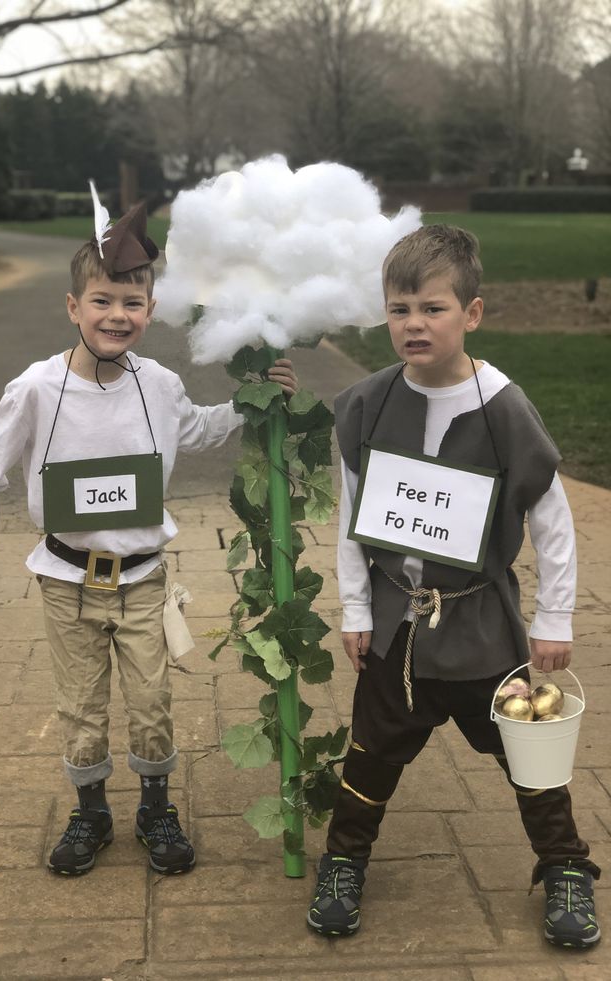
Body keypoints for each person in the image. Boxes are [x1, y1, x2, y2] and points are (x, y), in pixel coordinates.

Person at [0, 194, 297, 877]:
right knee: (81, 707)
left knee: (152, 702)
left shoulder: (159, 384)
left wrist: (253, 401)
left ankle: (154, 806)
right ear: (73, 306)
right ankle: (90, 812)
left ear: (149, 311)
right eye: (103, 300)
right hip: (66, 580)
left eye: (133, 304)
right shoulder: (36, 389)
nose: (118, 316)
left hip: (143, 579)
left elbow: (195, 429)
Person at [306, 224, 601, 948]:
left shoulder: (504, 409)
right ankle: (344, 861)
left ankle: (564, 865)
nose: (414, 323)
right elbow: (350, 515)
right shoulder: (368, 405)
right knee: (371, 752)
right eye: (400, 308)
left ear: (471, 313)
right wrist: (352, 605)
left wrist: (554, 617)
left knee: (527, 751)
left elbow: (553, 522)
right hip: (395, 628)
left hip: (480, 629)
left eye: (433, 308)